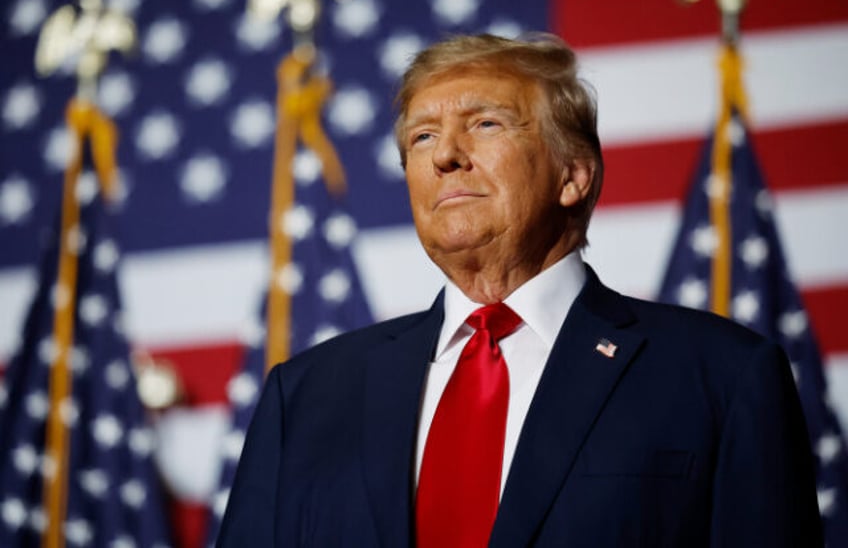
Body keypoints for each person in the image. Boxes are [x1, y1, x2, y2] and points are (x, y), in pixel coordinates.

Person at [217, 33, 822, 547]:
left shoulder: (721, 375)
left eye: (484, 123)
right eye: (422, 137)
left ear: (572, 175)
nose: (446, 155)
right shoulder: (305, 398)